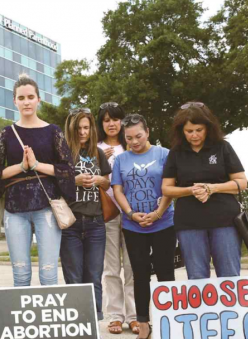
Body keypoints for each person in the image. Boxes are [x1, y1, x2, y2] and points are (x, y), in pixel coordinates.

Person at [0, 73, 75, 287]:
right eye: (21, 98)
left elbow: (67, 169)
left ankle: (50, 321)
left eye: (30, 97)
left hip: (47, 207)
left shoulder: (53, 131)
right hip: (14, 209)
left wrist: (36, 166)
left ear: (39, 99)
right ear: (14, 101)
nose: (26, 102)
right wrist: (21, 167)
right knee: (20, 275)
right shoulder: (6, 133)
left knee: (48, 275)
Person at [162, 102, 246, 280]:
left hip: (225, 221)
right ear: (181, 131)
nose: (194, 135)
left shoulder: (223, 147)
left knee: (229, 275)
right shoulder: (176, 153)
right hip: (189, 223)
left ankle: (230, 309)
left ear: (208, 127)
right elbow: (166, 188)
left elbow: (241, 182)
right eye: (189, 131)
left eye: (199, 130)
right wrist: (191, 190)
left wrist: (212, 188)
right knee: (197, 277)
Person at [111, 114, 175, 339]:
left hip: (164, 223)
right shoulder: (121, 159)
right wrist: (130, 214)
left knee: (166, 272)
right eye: (129, 138)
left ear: (147, 131)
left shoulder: (164, 154)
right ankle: (144, 323)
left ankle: (169, 321)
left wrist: (158, 213)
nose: (134, 141)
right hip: (133, 226)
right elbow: (118, 190)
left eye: (138, 136)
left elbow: (170, 186)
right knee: (140, 274)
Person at [60, 108, 111, 321]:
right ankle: (76, 321)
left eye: (86, 128)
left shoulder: (97, 153)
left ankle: (94, 320)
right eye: (78, 128)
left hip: (96, 223)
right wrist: (75, 180)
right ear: (71, 129)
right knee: (73, 277)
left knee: (94, 276)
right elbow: (53, 184)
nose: (82, 132)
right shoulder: (62, 153)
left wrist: (99, 181)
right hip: (70, 222)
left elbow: (108, 182)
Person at [96, 102, 138, 335]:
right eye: (106, 120)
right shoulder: (94, 147)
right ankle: (114, 315)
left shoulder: (131, 144)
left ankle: (134, 315)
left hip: (132, 212)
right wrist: (99, 158)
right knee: (111, 267)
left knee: (133, 266)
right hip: (108, 213)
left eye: (115, 119)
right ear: (101, 124)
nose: (111, 124)